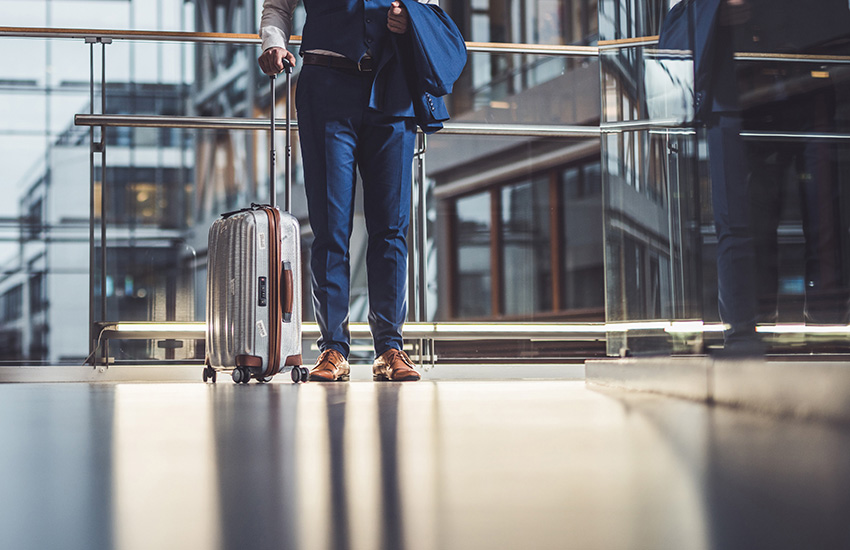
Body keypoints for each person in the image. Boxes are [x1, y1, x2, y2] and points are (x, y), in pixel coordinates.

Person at [257, 0, 455, 381]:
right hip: (325, 89)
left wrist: (410, 17)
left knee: (391, 226)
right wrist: (273, 43)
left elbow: (429, 4)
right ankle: (333, 348)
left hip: (393, 86)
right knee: (330, 228)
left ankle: (390, 348)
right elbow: (278, 6)